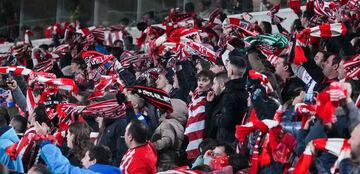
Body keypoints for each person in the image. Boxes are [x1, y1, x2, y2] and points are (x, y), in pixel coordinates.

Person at [151, 98, 188, 171]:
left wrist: (151, 146)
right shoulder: (178, 125)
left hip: (163, 163)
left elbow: (168, 140)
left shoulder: (168, 123)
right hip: (173, 161)